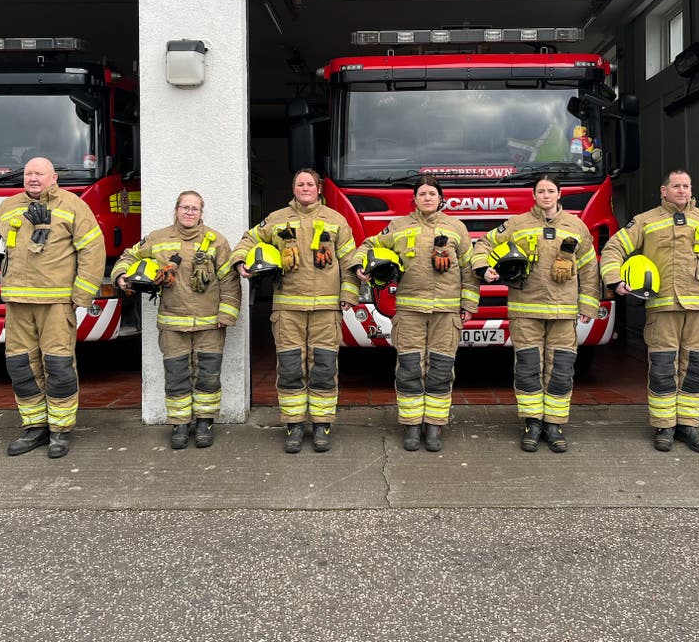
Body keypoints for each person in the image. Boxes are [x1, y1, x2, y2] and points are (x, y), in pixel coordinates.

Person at [0, 157, 105, 459]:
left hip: (55, 302)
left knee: (58, 366)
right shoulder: (9, 206)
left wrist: (82, 295)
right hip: (17, 302)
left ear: (53, 178)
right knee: (21, 366)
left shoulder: (74, 206)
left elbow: (93, 249)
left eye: (39, 173)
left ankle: (61, 430)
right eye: (28, 174)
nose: (33, 178)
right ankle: (35, 427)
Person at [600, 169, 699, 453]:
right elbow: (613, 249)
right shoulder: (646, 221)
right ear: (664, 191)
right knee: (663, 369)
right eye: (676, 186)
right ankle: (664, 426)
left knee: (697, 368)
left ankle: (689, 425)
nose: (683, 191)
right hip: (662, 309)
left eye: (687, 186)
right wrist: (616, 280)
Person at [229, 169, 358, 454]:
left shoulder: (336, 220)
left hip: (326, 310)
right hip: (287, 309)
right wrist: (241, 262)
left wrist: (349, 294)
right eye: (300, 184)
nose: (305, 187)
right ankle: (294, 425)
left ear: (319, 188)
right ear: (294, 188)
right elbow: (247, 240)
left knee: (323, 368)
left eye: (310, 183)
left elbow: (351, 260)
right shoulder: (276, 219)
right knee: (290, 369)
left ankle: (322, 425)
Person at [472, 174, 600, 453]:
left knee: (560, 369)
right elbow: (482, 243)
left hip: (563, 312)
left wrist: (589, 304)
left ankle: (553, 425)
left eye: (550, 190)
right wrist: (485, 268)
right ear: (534, 195)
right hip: (525, 311)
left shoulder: (576, 226)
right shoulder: (517, 224)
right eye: (540, 191)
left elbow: (590, 268)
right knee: (529, 368)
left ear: (558, 194)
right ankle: (532, 423)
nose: (545, 195)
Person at [354, 176, 478, 452]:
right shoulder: (398, 227)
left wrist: (468, 304)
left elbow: (469, 269)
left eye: (432, 193)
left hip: (446, 312)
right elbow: (367, 246)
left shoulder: (456, 228)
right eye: (422, 193)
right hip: (409, 311)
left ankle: (434, 427)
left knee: (441, 370)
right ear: (415, 199)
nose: (427, 198)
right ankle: (411, 427)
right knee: (410, 369)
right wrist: (361, 265)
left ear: (440, 198)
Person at [111, 191, 240, 450]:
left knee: (208, 376)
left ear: (201, 213)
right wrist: (121, 276)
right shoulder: (157, 239)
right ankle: (180, 425)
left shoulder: (217, 242)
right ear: (176, 210)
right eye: (185, 207)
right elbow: (127, 256)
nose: (189, 212)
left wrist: (227, 314)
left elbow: (229, 280)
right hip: (172, 323)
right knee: (176, 376)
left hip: (210, 324)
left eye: (195, 208)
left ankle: (204, 423)